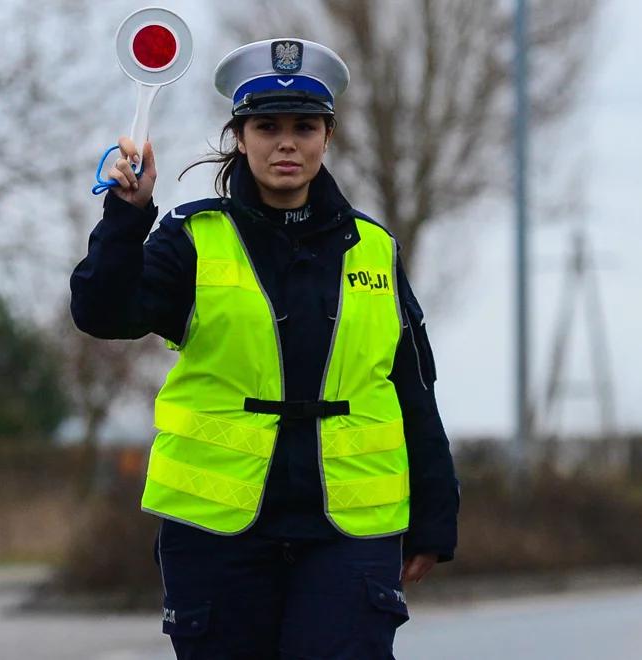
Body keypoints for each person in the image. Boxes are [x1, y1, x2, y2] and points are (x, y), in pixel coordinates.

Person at [70, 37, 459, 659]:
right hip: (217, 532)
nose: (286, 143)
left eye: (304, 127)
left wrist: (435, 518)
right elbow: (102, 314)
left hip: (350, 530)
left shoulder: (374, 249)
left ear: (327, 138)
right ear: (240, 136)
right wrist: (127, 214)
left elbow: (413, 388)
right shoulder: (191, 239)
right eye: (267, 126)